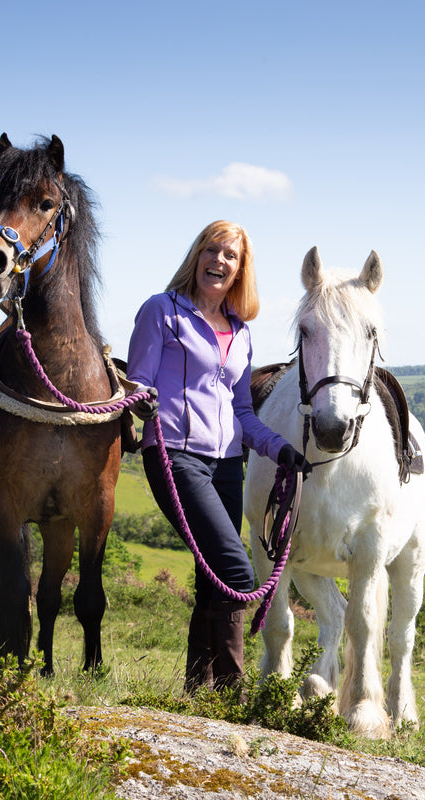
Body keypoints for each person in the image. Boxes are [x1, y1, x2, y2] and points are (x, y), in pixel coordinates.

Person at [126, 220, 308, 696]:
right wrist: (141, 404)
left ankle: (197, 692)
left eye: (231, 256)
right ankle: (233, 694)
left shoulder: (241, 333)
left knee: (212, 578)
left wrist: (279, 449)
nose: (219, 261)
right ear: (196, 256)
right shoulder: (161, 311)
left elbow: (243, 412)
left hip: (228, 464)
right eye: (212, 250)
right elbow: (138, 383)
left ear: (240, 270)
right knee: (234, 570)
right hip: (174, 455)